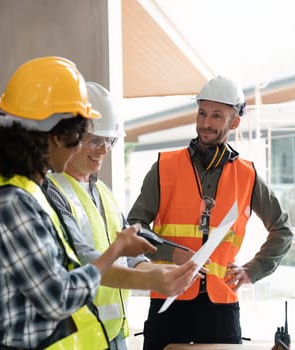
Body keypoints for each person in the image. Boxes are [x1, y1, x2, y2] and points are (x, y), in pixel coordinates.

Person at [0, 56, 158, 350]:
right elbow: (58, 297)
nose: (79, 146)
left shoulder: (29, 193)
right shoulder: (11, 204)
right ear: (48, 136)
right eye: (78, 136)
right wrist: (116, 250)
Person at [127, 75, 294, 349]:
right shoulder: (164, 167)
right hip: (168, 297)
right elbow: (134, 227)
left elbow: (282, 231)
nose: (206, 123)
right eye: (202, 113)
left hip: (221, 306)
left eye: (217, 116)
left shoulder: (247, 175)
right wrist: (172, 252)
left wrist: (252, 271)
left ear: (234, 121)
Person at [47, 82, 198, 350]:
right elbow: (83, 260)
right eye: (95, 140)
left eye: (109, 141)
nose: (103, 149)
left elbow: (131, 258)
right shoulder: (52, 192)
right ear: (70, 137)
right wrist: (151, 280)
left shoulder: (103, 191)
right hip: (77, 338)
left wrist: (169, 271)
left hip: (114, 334)